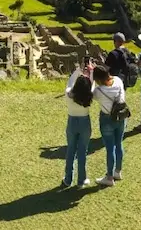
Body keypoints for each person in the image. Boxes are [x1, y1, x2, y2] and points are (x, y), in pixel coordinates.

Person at [91, 65, 127, 187]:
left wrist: (90, 78)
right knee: (119, 144)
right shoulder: (118, 80)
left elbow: (90, 94)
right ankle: (118, 171)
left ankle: (109, 177)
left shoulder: (99, 91)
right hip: (121, 117)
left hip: (107, 119)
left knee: (110, 148)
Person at [62, 58, 94, 187]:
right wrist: (90, 72)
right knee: (82, 152)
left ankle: (68, 179)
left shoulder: (69, 94)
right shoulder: (89, 95)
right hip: (84, 122)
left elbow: (70, 82)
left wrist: (79, 70)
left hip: (72, 121)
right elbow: (92, 84)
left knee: (71, 151)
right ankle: (81, 180)